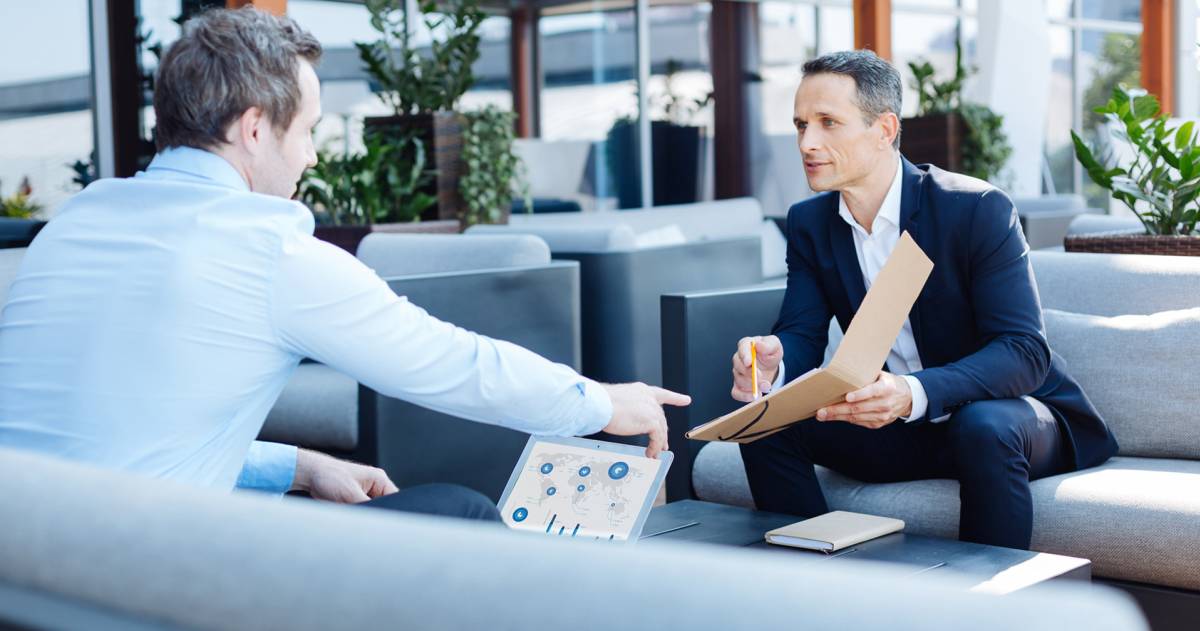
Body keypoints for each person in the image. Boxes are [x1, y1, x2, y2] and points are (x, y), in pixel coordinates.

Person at [0, 7, 689, 522]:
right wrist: (601, 401)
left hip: (30, 568)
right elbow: (452, 363)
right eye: (306, 131)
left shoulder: (73, 226)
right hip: (142, 583)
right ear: (253, 128)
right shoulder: (266, 247)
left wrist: (297, 467)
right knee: (463, 513)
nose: (311, 156)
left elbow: (118, 440)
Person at [729, 50, 1117, 550]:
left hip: (1010, 417)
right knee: (764, 424)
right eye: (801, 124)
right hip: (900, 427)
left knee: (983, 426)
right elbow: (801, 336)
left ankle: (987, 608)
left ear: (885, 129)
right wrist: (772, 368)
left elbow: (1024, 352)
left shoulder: (974, 209)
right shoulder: (810, 223)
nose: (808, 142)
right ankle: (815, 585)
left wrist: (912, 392)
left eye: (829, 123)